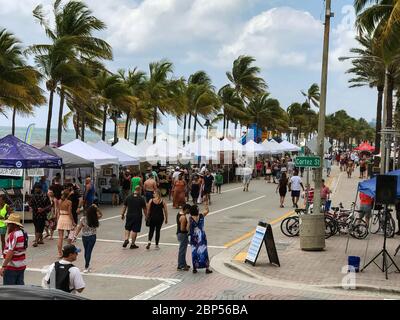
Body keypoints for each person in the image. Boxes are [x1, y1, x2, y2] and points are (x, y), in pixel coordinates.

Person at [74, 204, 103, 273]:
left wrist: (75, 235)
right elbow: (101, 214)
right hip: (92, 237)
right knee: (89, 251)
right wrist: (97, 208)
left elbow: (79, 228)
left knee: (86, 251)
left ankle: (87, 265)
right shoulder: (95, 218)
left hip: (84, 237)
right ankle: (86, 266)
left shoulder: (83, 219)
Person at [0, 213, 26, 285]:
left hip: (12, 267)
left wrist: (3, 266)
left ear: (13, 225)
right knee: (19, 290)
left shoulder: (14, 235)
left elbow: (10, 252)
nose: (7, 226)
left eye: (9, 224)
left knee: (10, 291)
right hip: (21, 265)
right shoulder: (23, 233)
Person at [189, 202, 212, 274]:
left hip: (194, 237)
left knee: (194, 252)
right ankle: (207, 268)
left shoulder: (190, 219)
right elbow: (207, 211)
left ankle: (195, 268)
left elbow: (187, 228)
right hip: (202, 236)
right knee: (204, 251)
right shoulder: (201, 216)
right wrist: (206, 205)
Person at [29, 183, 51, 247]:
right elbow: (30, 204)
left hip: (42, 215)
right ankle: (41, 239)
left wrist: (43, 209)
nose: (36, 189)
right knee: (37, 227)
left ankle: (36, 241)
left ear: (40, 189)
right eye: (35, 188)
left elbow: (49, 205)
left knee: (39, 227)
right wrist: (35, 208)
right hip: (35, 214)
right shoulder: (33, 196)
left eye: (37, 188)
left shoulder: (45, 196)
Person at [56, 190, 75, 258]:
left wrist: (58, 220)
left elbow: (57, 211)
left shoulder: (59, 201)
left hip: (61, 217)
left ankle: (60, 253)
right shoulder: (69, 202)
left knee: (60, 237)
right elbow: (70, 212)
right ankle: (69, 251)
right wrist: (73, 221)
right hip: (67, 218)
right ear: (68, 195)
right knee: (70, 236)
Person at [176, 204, 191, 271]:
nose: (189, 212)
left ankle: (184, 263)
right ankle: (180, 265)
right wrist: (188, 228)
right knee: (182, 251)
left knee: (183, 250)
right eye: (189, 210)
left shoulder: (179, 214)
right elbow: (182, 229)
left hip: (180, 234)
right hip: (182, 235)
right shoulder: (183, 217)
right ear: (186, 209)